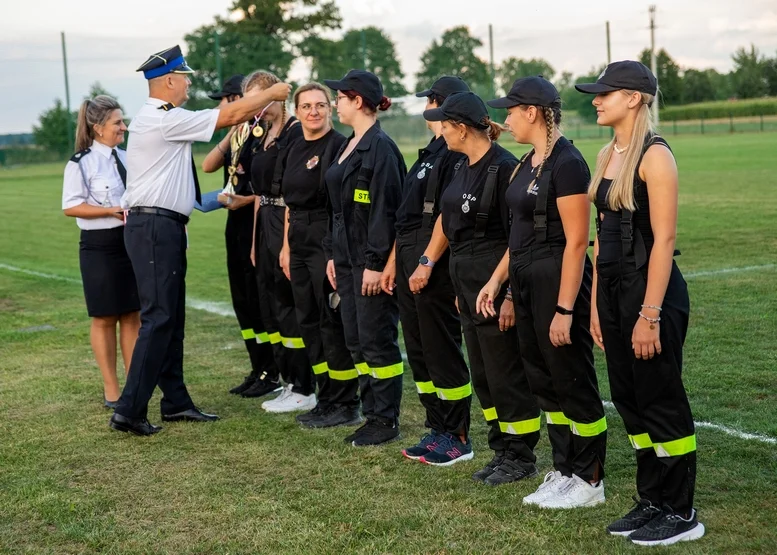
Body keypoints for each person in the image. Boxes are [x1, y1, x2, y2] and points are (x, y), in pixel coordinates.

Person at [110, 45, 291, 436]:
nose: (189, 82)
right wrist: (272, 93)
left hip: (164, 228)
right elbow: (229, 115)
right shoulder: (162, 119)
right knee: (159, 318)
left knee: (170, 319)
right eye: (185, 76)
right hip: (154, 228)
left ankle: (175, 402)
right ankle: (129, 409)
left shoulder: (163, 118)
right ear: (170, 80)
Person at [576, 60, 704, 546]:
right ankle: (652, 499)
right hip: (609, 291)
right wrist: (594, 308)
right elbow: (600, 238)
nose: (596, 99)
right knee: (630, 400)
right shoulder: (608, 152)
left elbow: (665, 239)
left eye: (605, 93)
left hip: (651, 293)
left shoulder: (655, 155)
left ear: (634, 98)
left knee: (660, 398)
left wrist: (649, 314)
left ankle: (681, 511)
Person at [477, 76, 607, 506]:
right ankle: (565, 468)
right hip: (526, 279)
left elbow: (575, 241)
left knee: (571, 378)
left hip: (557, 278)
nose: (506, 119)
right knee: (544, 381)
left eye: (511, 111)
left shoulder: (568, 162)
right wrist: (500, 283)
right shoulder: (525, 161)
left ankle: (589, 480)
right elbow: (516, 234)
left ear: (532, 112)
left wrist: (566, 309)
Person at [424, 92, 541, 483]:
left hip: (495, 282)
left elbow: (517, 238)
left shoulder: (504, 167)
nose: (440, 130)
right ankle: (501, 448)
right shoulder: (462, 165)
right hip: (468, 282)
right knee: (485, 378)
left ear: (460, 127)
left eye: (444, 123)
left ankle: (521, 456)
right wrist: (460, 284)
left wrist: (506, 294)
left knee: (506, 375)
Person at [380, 76, 473, 466]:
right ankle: (437, 427)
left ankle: (457, 436)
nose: (427, 109)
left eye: (432, 100)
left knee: (441, 347)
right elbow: (407, 217)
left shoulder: (455, 152)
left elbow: (445, 217)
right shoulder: (434, 150)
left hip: (432, 261)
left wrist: (426, 262)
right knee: (418, 349)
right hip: (408, 257)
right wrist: (392, 264)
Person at [323, 70, 406, 446]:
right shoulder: (348, 144)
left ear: (358, 101)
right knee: (356, 340)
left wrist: (375, 264)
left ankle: (384, 419)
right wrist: (332, 255)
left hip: (367, 262)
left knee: (376, 340)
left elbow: (385, 213)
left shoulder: (381, 148)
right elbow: (337, 208)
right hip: (345, 258)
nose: (335, 103)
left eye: (339, 97)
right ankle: (371, 411)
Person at [275, 83, 362, 428]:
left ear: (329, 109)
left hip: (325, 236)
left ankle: (345, 401)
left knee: (331, 323)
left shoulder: (339, 146)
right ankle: (326, 397)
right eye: (306, 106)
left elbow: (340, 206)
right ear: (296, 112)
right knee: (308, 320)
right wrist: (285, 246)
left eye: (321, 105)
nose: (313, 111)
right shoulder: (294, 145)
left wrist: (332, 252)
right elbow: (287, 202)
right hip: (297, 237)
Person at [201, 74, 279, 398]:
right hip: (234, 223)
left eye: (224, 100)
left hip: (255, 223)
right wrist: (232, 128)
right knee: (241, 301)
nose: (220, 106)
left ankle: (271, 370)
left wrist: (245, 200)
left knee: (258, 298)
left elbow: (267, 190)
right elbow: (208, 165)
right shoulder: (239, 134)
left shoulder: (262, 135)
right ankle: (257, 367)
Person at [62, 95, 140, 410]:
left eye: (123, 121)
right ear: (98, 128)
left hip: (130, 241)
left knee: (132, 314)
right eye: (117, 123)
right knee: (106, 317)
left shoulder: (129, 157)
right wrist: (109, 211)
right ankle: (112, 391)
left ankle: (135, 387)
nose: (124, 127)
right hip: (99, 247)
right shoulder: (80, 162)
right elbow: (70, 206)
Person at [248, 70, 316, 414]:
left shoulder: (292, 130)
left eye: (258, 97)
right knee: (270, 304)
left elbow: (290, 191)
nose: (254, 106)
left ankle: (305, 385)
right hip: (264, 222)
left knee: (291, 304)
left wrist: (286, 242)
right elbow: (258, 193)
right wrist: (254, 239)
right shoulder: (260, 132)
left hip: (285, 221)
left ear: (275, 95)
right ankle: (288, 381)